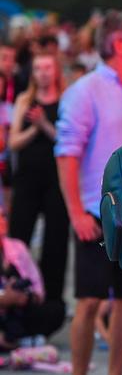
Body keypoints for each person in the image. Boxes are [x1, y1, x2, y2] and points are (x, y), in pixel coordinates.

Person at [55, 11, 122, 375]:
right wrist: (76, 213)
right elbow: (67, 154)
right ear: (117, 44)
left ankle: (115, 373)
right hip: (95, 213)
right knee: (87, 300)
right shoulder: (85, 91)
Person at [8, 52, 69, 304]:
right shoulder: (25, 100)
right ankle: (15, 295)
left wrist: (44, 124)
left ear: (56, 71)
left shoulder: (66, 100)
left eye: (47, 67)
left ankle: (51, 302)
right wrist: (35, 127)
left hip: (56, 180)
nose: (43, 73)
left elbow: (68, 141)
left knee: (55, 242)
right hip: (28, 179)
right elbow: (13, 142)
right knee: (18, 237)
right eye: (38, 68)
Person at [0, 211, 65, 350]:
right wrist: (3, 298)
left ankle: (18, 339)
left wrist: (25, 297)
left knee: (56, 310)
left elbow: (37, 288)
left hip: (18, 308)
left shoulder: (17, 248)